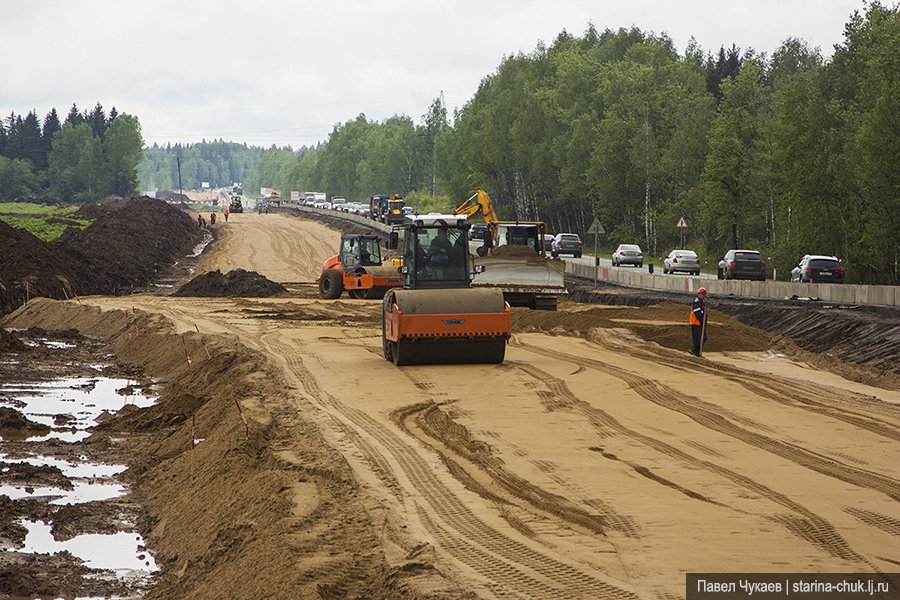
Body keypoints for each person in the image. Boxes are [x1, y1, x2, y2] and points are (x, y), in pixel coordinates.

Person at [690, 287, 708, 356]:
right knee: (697, 340)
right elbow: (698, 314)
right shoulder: (696, 303)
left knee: (703, 338)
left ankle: (697, 352)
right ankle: (695, 352)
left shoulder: (701, 303)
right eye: (703, 295)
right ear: (699, 294)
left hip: (700, 324)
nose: (704, 296)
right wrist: (703, 320)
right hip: (696, 323)